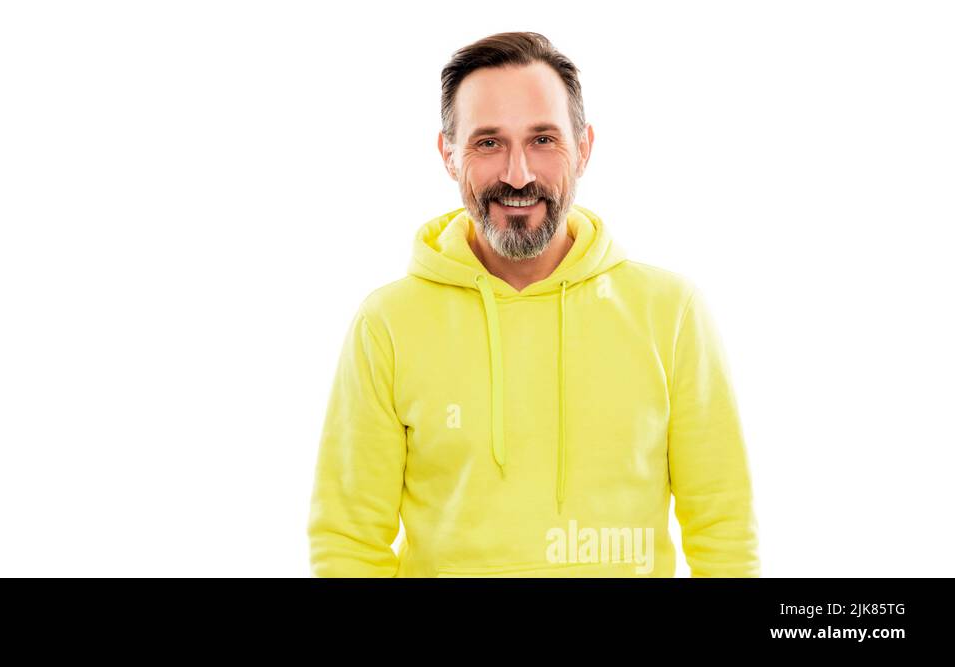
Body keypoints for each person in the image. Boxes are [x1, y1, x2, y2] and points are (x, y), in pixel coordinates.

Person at [307, 31, 760, 577]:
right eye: (488, 142)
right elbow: (348, 541)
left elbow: (724, 531)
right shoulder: (386, 325)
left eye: (543, 140)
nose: (517, 175)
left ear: (584, 147)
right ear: (449, 154)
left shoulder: (672, 314)